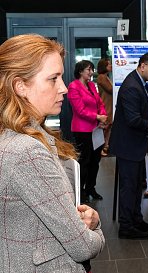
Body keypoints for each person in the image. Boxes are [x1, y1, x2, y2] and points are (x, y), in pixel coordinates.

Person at [0, 34, 105, 272]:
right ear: (20, 86)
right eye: (53, 79)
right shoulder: (27, 152)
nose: (64, 88)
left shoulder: (13, 137)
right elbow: (83, 247)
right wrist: (96, 226)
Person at [109, 52, 148, 240]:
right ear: (142, 66)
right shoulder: (132, 86)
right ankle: (126, 226)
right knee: (129, 188)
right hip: (128, 146)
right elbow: (133, 120)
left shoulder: (138, 82)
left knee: (135, 186)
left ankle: (136, 220)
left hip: (135, 146)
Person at [68, 60, 108, 203]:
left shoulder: (91, 85)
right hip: (82, 130)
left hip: (95, 129)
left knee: (96, 160)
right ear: (80, 71)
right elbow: (80, 110)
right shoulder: (73, 87)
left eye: (92, 70)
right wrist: (97, 117)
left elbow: (100, 103)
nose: (91, 73)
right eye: (88, 70)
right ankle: (81, 191)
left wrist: (102, 117)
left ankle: (91, 188)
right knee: (85, 161)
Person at [96, 57, 113, 157]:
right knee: (105, 127)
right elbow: (110, 89)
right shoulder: (101, 77)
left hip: (109, 104)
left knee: (108, 127)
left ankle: (106, 146)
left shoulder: (106, 77)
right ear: (104, 66)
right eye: (109, 64)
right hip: (106, 104)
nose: (111, 66)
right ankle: (101, 148)